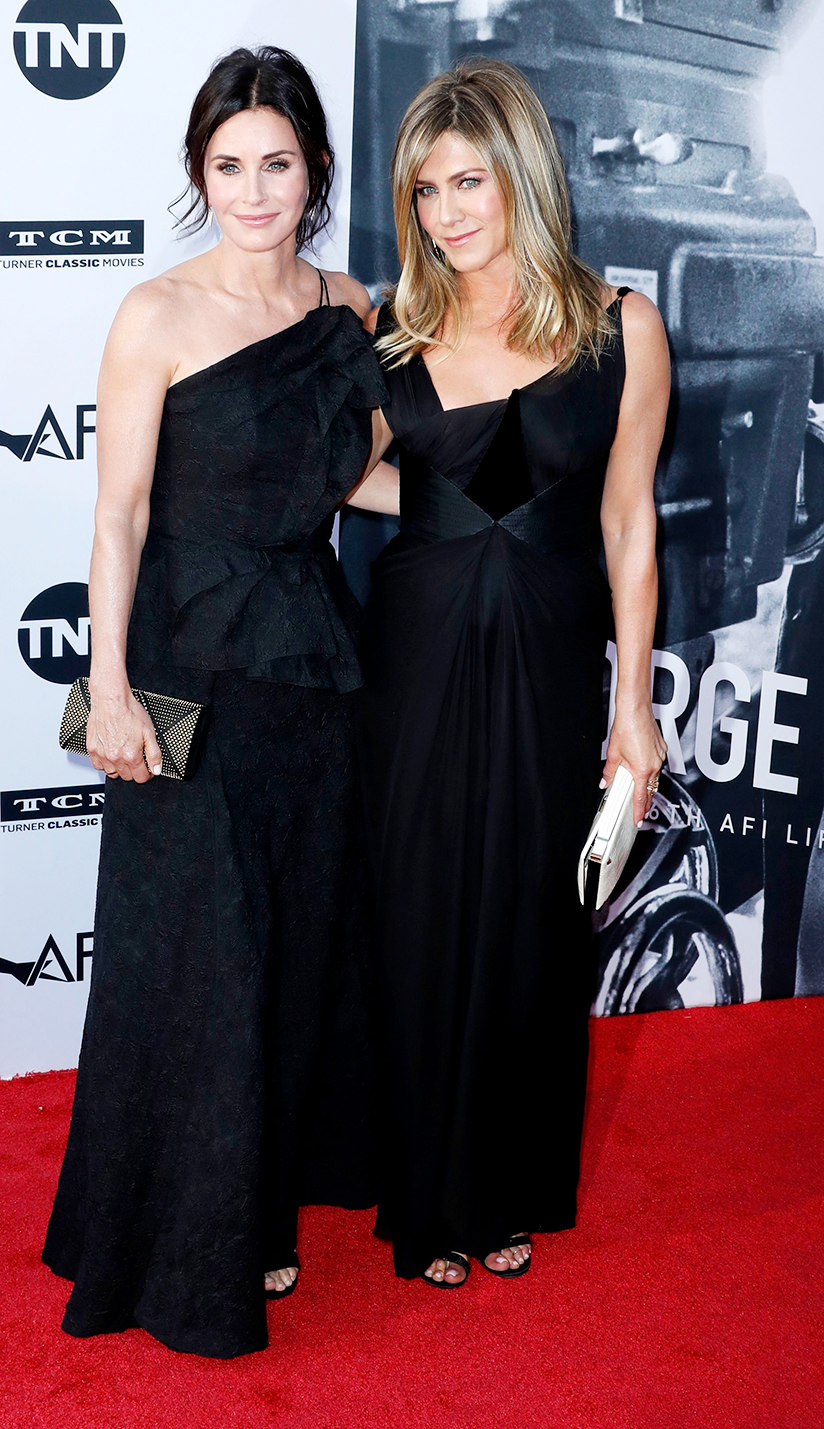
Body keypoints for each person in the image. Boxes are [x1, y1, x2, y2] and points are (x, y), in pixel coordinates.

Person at [42, 46, 392, 1359]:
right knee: (193, 959)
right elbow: (119, 513)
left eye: (279, 165)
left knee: (296, 952)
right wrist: (108, 685)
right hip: (184, 667)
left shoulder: (350, 306)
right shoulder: (156, 314)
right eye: (229, 165)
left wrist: (509, 507)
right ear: (201, 173)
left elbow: (349, 486)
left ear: (314, 172)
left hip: (313, 663)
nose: (255, 191)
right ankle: (175, 1241)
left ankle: (261, 1213)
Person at [355, 58, 669, 1287]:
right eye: (426, 190)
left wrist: (631, 709)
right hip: (416, 647)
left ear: (522, 176)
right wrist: (446, 511)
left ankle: (501, 1187)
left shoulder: (619, 324)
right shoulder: (397, 328)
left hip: (546, 648)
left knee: (530, 920)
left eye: (468, 181)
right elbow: (350, 474)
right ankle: (429, 1202)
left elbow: (629, 520)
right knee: (420, 914)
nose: (445, 213)